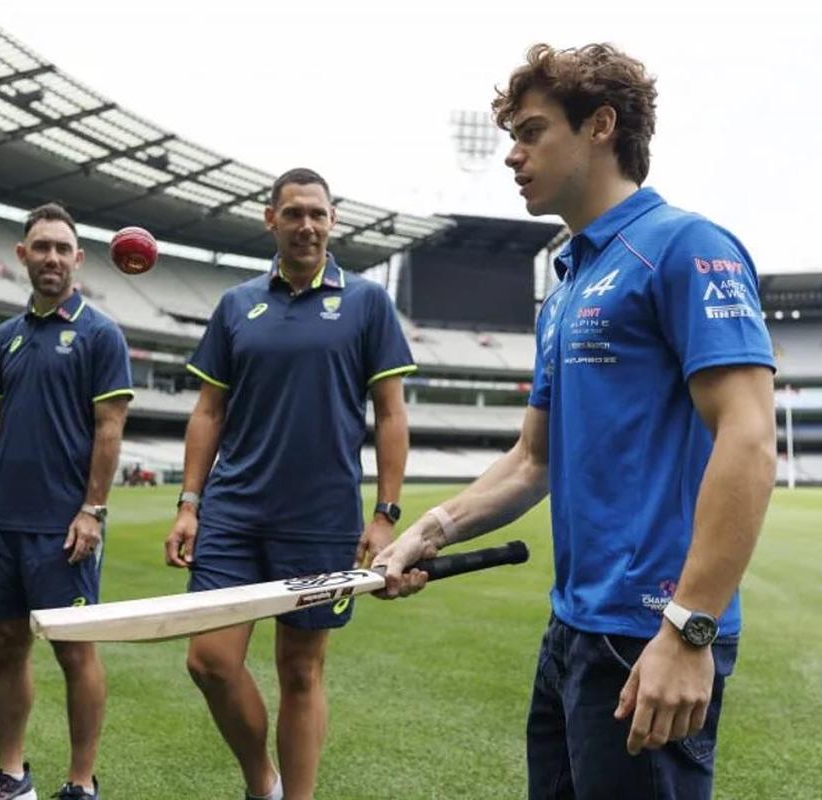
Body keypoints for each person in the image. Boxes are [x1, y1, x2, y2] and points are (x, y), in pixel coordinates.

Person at [374, 43, 777, 800]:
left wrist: (689, 632)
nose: (512, 155)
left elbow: (749, 440)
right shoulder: (566, 285)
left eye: (530, 133)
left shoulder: (686, 247)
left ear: (599, 125)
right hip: (574, 632)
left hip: (652, 634)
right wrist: (429, 531)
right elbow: (534, 460)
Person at [166, 168, 415, 800]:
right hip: (232, 513)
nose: (308, 225)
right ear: (270, 219)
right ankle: (262, 784)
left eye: (319, 214)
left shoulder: (365, 302)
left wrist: (385, 511)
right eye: (295, 213)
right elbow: (209, 411)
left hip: (322, 517)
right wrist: (189, 504)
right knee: (210, 662)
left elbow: (390, 412)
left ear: (333, 221)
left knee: (300, 671)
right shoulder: (235, 304)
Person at [0, 202, 134, 800]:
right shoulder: (5, 337)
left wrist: (93, 509)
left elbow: (110, 429)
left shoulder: (101, 334)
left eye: (63, 248)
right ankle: (12, 777)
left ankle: (81, 784)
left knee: (75, 652)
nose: (52, 257)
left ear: (78, 260)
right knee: (4, 643)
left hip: (64, 525)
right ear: (22, 255)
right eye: (42, 247)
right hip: (6, 521)